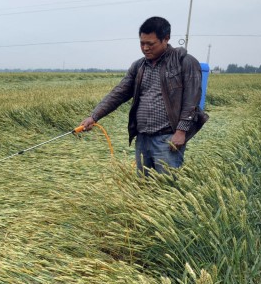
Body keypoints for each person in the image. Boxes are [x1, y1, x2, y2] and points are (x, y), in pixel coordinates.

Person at [80, 16, 207, 176]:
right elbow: (119, 93)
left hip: (168, 139)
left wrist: (181, 131)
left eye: (150, 44)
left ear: (166, 39)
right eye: (142, 43)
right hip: (143, 138)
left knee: (167, 188)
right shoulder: (139, 66)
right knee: (144, 187)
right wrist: (94, 116)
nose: (145, 48)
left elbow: (192, 99)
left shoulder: (184, 62)